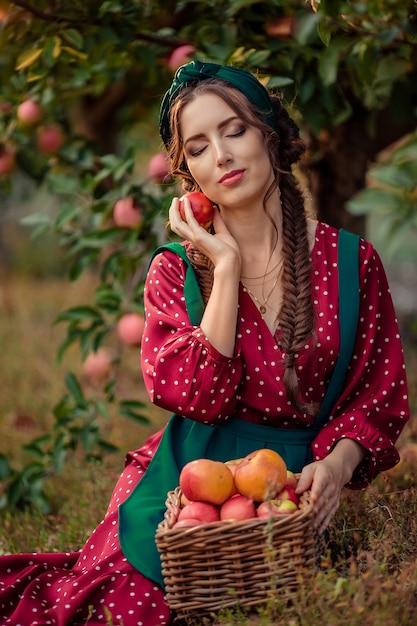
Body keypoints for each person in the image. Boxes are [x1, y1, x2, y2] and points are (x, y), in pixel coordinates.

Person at [0, 61, 410, 626]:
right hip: (187, 488)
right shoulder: (174, 272)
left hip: (290, 493)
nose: (221, 155)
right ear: (188, 170)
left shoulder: (350, 262)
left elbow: (377, 395)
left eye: (234, 130)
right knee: (125, 609)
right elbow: (198, 398)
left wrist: (337, 468)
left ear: (268, 132)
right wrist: (226, 264)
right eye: (197, 147)